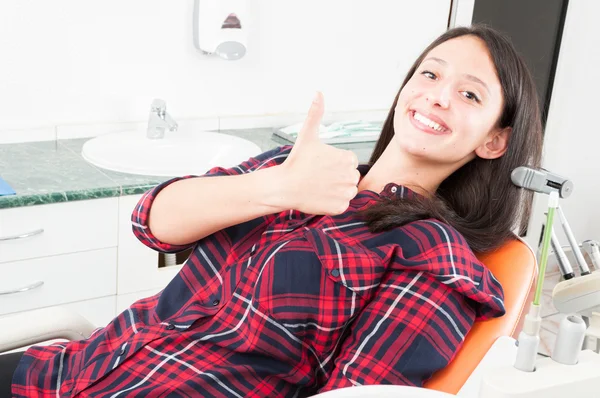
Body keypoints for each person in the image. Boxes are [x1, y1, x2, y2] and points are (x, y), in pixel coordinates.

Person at [4, 24, 542, 397]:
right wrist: (279, 187)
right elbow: (151, 222)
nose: (438, 96)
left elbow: (356, 397)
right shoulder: (293, 165)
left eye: (470, 95)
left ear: (495, 141)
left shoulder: (433, 260)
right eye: (430, 74)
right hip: (82, 370)